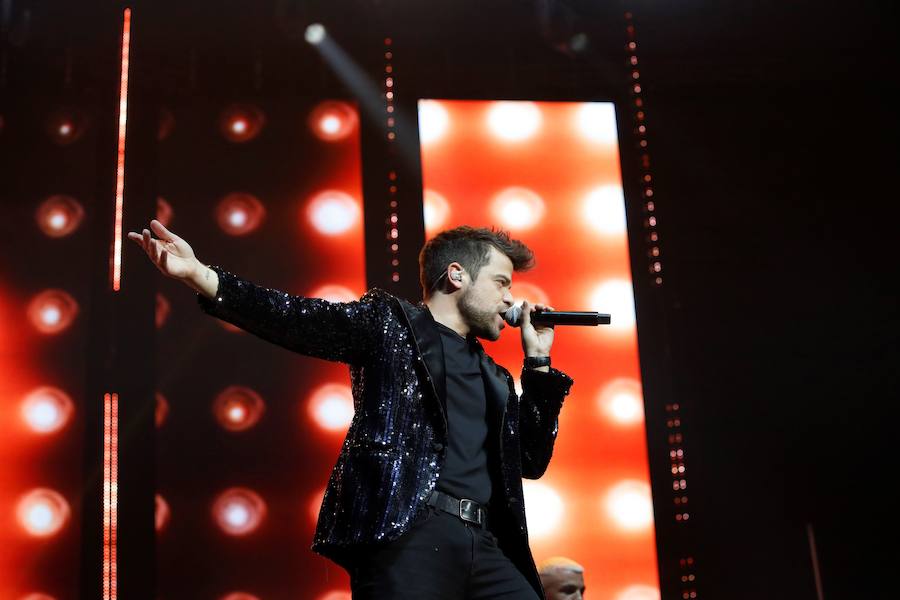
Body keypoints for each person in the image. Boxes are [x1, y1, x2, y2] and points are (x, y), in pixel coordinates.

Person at [129, 220, 574, 599]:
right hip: (411, 530)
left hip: (485, 539)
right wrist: (201, 276)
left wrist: (537, 365)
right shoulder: (389, 324)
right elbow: (296, 319)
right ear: (456, 276)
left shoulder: (495, 376)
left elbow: (530, 462)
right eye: (501, 283)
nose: (511, 299)